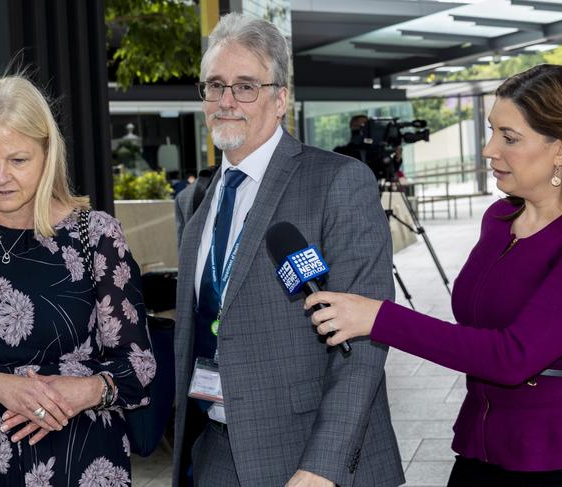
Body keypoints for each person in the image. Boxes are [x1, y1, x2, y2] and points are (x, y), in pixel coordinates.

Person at [173, 13, 404, 487]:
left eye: (245, 87)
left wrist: (321, 467)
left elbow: (363, 343)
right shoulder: (194, 201)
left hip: (307, 457)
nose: (226, 101)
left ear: (280, 99)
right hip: (216, 453)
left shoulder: (337, 182)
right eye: (214, 86)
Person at [305, 64, 562, 487]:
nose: (489, 150)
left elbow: (514, 356)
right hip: (478, 449)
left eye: (509, 137)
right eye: (491, 130)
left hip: (546, 458)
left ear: (558, 148)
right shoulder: (499, 219)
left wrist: (380, 319)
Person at [0, 75, 155, 486]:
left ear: (47, 153)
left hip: (83, 464)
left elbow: (140, 366)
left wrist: (85, 390)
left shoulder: (95, 236)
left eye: (18, 159)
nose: (0, 177)